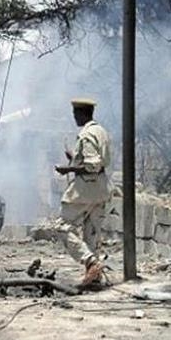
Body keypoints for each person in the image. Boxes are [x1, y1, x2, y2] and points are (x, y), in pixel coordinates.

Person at [54, 98, 112, 287]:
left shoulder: (86, 135)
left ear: (81, 113)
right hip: (100, 189)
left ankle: (90, 262)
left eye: (75, 114)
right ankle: (94, 277)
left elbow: (92, 165)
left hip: (85, 189)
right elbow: (99, 161)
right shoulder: (100, 131)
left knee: (62, 227)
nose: (75, 118)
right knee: (91, 233)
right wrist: (74, 158)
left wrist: (68, 169)